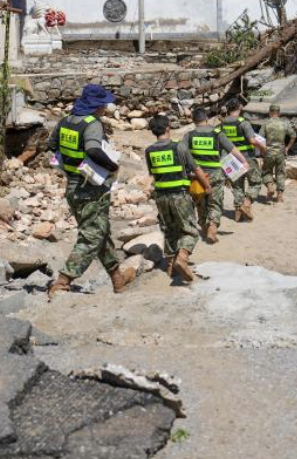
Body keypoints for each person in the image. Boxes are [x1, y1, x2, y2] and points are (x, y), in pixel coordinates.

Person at [46, 84, 133, 298]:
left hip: (73, 187)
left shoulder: (65, 121)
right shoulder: (92, 124)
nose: (105, 108)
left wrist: (72, 162)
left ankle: (117, 279)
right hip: (91, 190)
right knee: (92, 236)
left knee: (100, 231)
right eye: (103, 104)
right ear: (97, 106)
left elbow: (51, 145)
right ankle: (63, 281)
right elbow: (93, 149)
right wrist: (113, 166)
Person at [145, 115, 211, 284]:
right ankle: (182, 258)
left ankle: (170, 266)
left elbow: (156, 173)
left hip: (161, 197)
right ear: (168, 128)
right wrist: (207, 186)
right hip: (179, 195)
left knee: (170, 230)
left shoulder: (149, 151)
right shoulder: (179, 147)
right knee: (191, 231)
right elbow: (196, 170)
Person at [183, 107, 244, 243]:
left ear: (193, 120)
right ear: (206, 118)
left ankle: (204, 227)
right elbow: (232, 148)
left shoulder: (189, 135)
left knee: (201, 204)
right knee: (215, 204)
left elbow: (181, 155)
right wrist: (243, 161)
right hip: (215, 174)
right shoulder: (217, 133)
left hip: (197, 176)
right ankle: (212, 228)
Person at [220, 97, 265, 222]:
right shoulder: (243, 122)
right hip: (247, 157)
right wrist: (263, 148)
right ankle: (246, 203)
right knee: (256, 182)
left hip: (231, 159)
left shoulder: (222, 124)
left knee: (237, 186)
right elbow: (252, 140)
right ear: (239, 108)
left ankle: (238, 213)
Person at [259, 104, 297, 203]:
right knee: (280, 173)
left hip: (269, 152)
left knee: (266, 171)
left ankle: (270, 186)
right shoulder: (284, 123)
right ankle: (279, 196)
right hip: (281, 152)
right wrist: (287, 148)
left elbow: (259, 139)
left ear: (270, 112)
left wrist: (262, 151)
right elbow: (293, 135)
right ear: (279, 113)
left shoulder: (266, 124)